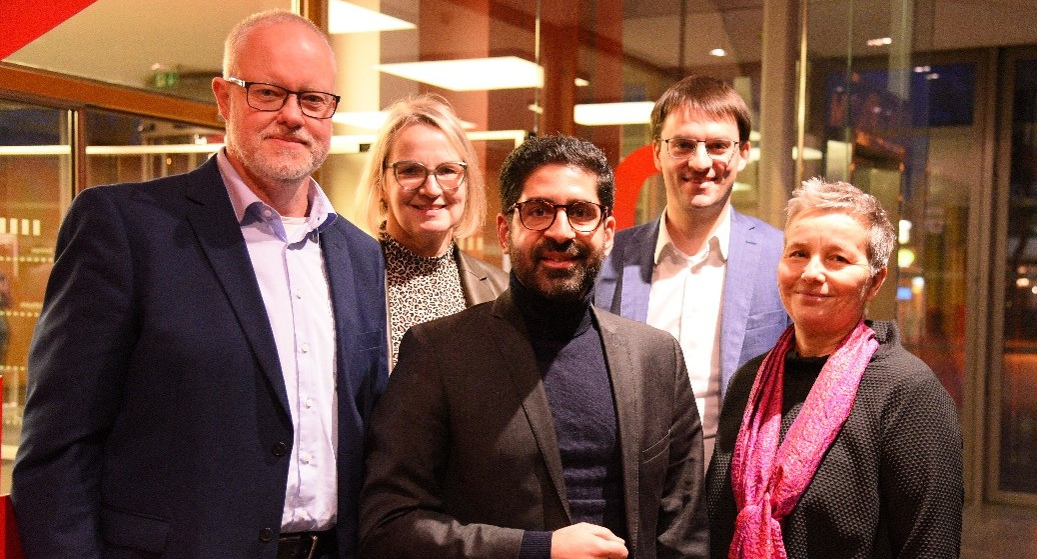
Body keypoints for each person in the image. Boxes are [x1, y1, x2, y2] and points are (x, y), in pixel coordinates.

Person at [11, 10, 390, 558]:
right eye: (267, 93)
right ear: (223, 97)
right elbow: (58, 449)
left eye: (313, 100)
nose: (293, 116)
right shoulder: (125, 227)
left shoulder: (358, 255)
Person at [360, 135, 707, 559]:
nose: (561, 232)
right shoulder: (438, 353)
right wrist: (536, 550)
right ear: (505, 231)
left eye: (581, 213)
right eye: (539, 212)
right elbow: (389, 524)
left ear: (608, 232)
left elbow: (683, 533)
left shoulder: (656, 358)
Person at [706, 178, 963, 559]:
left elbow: (930, 547)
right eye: (798, 253)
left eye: (837, 258)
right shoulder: (751, 381)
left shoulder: (908, 393)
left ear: (875, 282)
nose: (811, 272)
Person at [594, 75, 788, 464]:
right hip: (631, 474)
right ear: (656, 153)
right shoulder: (608, 258)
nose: (701, 163)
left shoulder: (782, 256)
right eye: (683, 144)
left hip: (736, 479)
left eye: (718, 146)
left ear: (743, 153)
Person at [355, 93, 507, 365]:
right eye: (411, 170)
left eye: (448, 170)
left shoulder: (502, 291)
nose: (431, 189)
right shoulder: (345, 281)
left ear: (467, 182)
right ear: (381, 185)